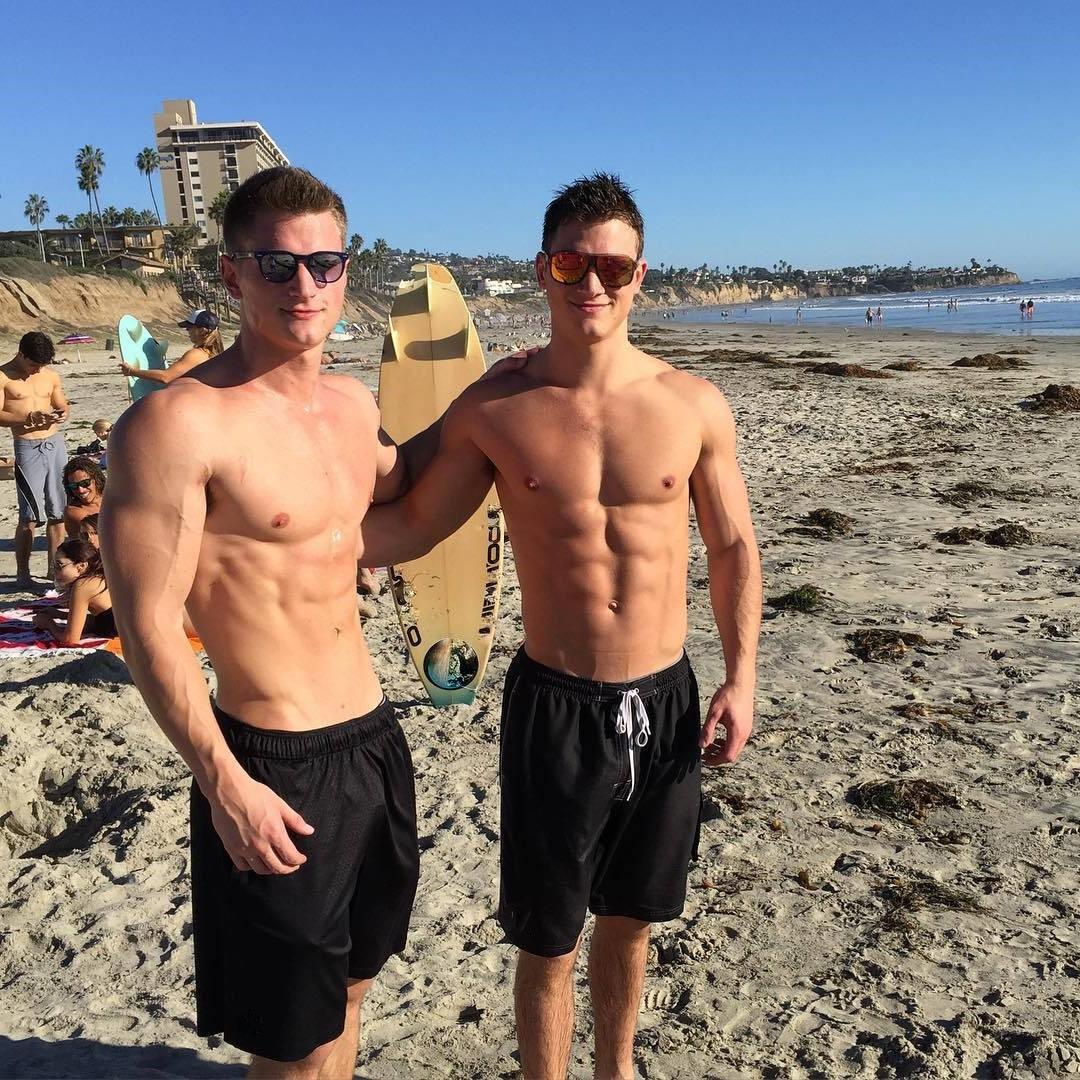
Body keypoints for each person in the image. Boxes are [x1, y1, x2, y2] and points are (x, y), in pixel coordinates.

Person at [362, 173, 761, 1079]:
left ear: (640, 276)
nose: (592, 285)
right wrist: (295, 540)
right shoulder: (498, 407)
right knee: (548, 938)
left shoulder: (692, 404)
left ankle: (616, 1071)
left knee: (630, 920)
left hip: (666, 699)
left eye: (611, 267)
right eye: (571, 263)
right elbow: (414, 521)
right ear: (543, 270)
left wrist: (742, 676)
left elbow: (734, 547)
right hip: (555, 708)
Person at [100, 167, 424, 1077]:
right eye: (277, 267)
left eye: (325, 264)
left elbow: (408, 504)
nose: (305, 287)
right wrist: (222, 782)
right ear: (233, 274)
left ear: (347, 270)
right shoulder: (175, 427)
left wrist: (513, 398)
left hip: (371, 740)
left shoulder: (356, 410)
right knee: (289, 1039)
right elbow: (150, 624)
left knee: (355, 986)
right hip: (270, 762)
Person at [0, 331, 70, 587]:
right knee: (28, 516)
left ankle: (55, 572)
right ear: (20, 354)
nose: (36, 370)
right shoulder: (3, 376)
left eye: (41, 365)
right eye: (32, 364)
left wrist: (62, 414)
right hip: (27, 445)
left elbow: (61, 404)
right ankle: (23, 573)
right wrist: (27, 419)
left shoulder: (50, 375)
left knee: (58, 511)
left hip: (54, 443)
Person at [31, 537, 116, 642]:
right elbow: (105, 619)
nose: (55, 571)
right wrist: (60, 615)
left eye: (59, 565)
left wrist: (49, 624)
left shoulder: (83, 586)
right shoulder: (97, 577)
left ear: (81, 566)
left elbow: (70, 639)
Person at [118, 309, 224, 387]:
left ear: (201, 331)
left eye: (189, 328)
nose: (187, 331)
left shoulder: (197, 354)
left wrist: (132, 371)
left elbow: (166, 377)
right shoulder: (216, 354)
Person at [62, 454, 105, 538]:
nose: (81, 490)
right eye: (73, 486)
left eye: (85, 483)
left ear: (96, 479)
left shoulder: (113, 496)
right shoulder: (74, 512)